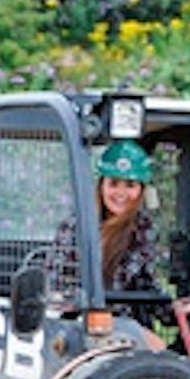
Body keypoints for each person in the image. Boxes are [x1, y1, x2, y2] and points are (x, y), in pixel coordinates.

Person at [48, 139, 167, 347]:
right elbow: (59, 282)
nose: (121, 193)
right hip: (79, 324)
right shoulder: (78, 226)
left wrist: (175, 310)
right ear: (101, 185)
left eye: (130, 185)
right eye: (113, 183)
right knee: (156, 348)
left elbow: (145, 285)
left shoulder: (143, 229)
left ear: (141, 190)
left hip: (122, 324)